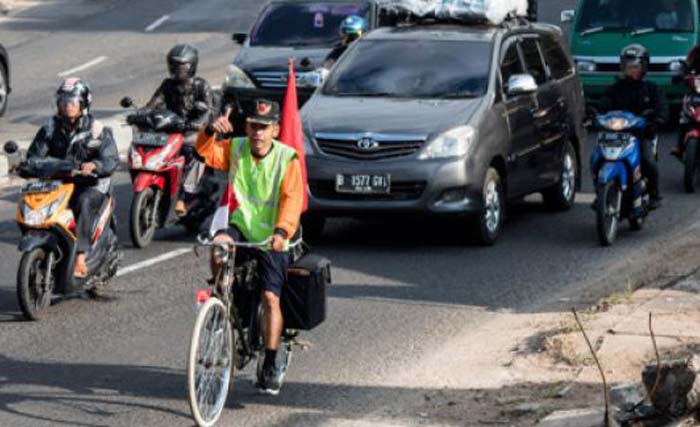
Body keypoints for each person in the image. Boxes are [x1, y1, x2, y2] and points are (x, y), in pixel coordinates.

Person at [195, 99, 304, 395]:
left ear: (276, 130)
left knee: (270, 297)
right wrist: (208, 130)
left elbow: (293, 201)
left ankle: (270, 360)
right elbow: (204, 153)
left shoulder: (287, 158)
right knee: (218, 245)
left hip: (273, 236)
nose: (258, 133)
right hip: (242, 226)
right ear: (247, 127)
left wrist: (282, 232)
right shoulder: (237, 147)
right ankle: (222, 296)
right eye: (254, 126)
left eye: (264, 128)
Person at [26, 78, 119, 277]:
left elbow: (111, 158)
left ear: (83, 104)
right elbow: (34, 156)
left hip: (91, 184)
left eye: (73, 101)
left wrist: (95, 165)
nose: (68, 106)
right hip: (60, 183)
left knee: (83, 202)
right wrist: (28, 166)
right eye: (64, 101)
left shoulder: (96, 129)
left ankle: (80, 257)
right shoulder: (50, 128)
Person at [145, 44, 213, 216]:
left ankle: (184, 196)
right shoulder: (167, 85)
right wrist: (141, 113)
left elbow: (208, 111)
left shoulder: (201, 85)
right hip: (171, 130)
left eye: (181, 65)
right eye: (174, 64)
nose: (177, 69)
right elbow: (154, 102)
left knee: (192, 156)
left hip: (194, 133)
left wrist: (197, 124)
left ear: (191, 65)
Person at [599, 44, 668, 209]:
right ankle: (601, 192)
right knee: (598, 157)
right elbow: (604, 104)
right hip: (617, 133)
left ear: (643, 67)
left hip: (641, 134)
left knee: (647, 161)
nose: (632, 70)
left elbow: (662, 108)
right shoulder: (615, 88)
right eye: (628, 67)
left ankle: (654, 194)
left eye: (635, 67)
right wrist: (593, 113)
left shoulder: (652, 89)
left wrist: (656, 122)